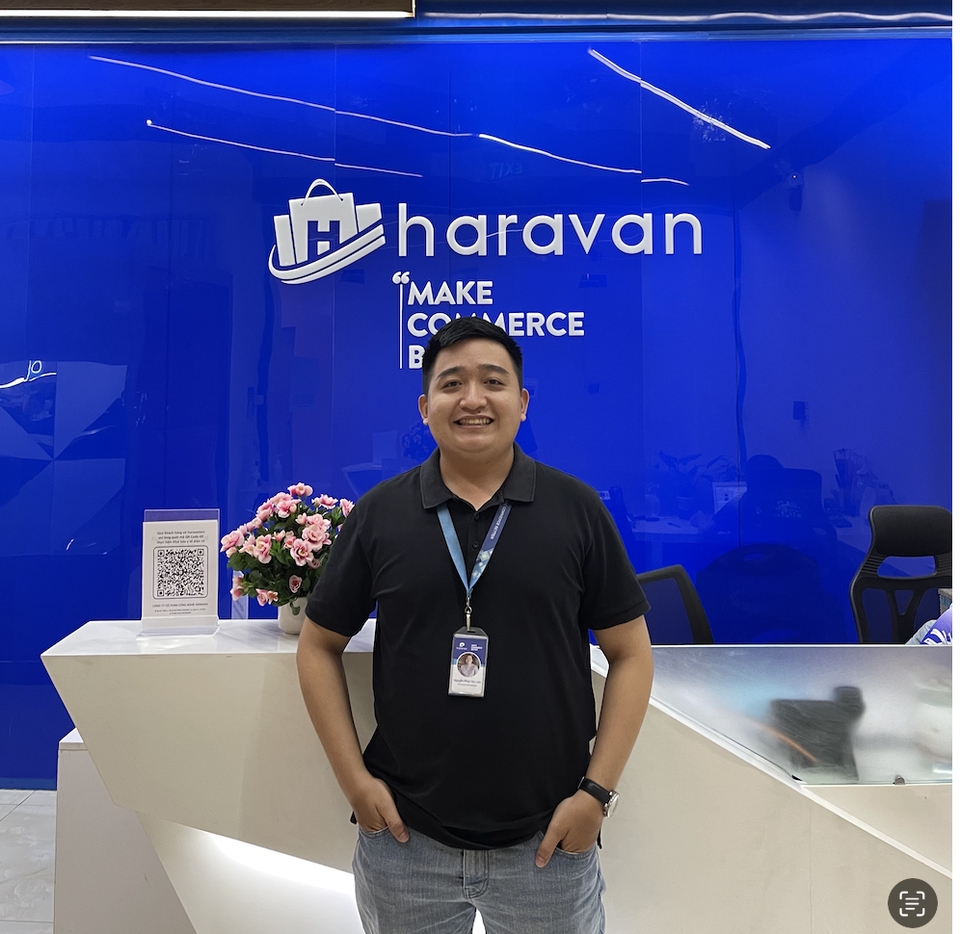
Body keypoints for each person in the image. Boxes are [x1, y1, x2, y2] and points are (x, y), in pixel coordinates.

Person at [297, 316, 654, 934]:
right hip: (406, 841)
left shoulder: (577, 510)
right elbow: (317, 646)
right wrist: (354, 783)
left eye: (493, 381)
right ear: (424, 407)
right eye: (450, 383)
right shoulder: (381, 514)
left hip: (549, 841)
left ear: (522, 402)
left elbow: (631, 654)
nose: (472, 399)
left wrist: (595, 795)